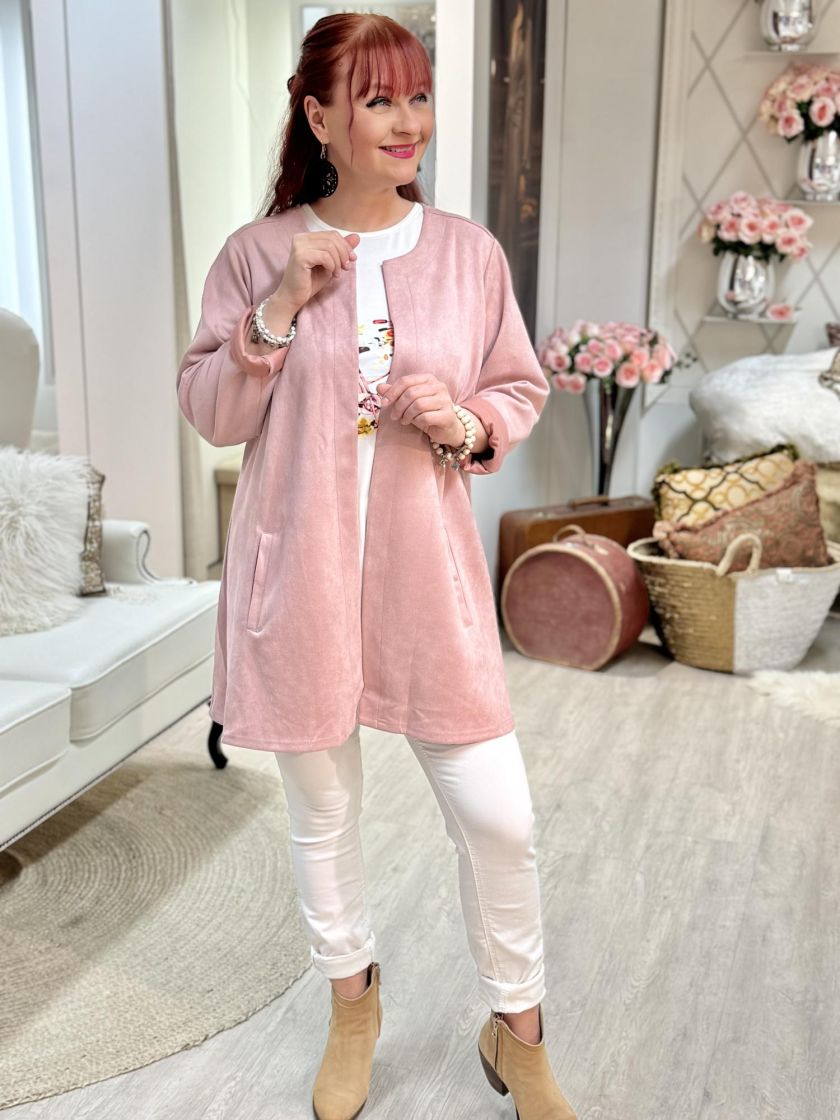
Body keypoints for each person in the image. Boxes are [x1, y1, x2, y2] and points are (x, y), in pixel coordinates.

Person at [176, 12, 576, 1120]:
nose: (409, 122)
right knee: (323, 812)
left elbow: (517, 387)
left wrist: (463, 421)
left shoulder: (468, 254)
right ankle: (353, 1008)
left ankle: (520, 1032)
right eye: (379, 100)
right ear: (320, 118)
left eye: (418, 96)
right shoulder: (256, 252)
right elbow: (211, 410)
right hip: (296, 582)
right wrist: (277, 308)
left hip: (425, 581)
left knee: (499, 817)